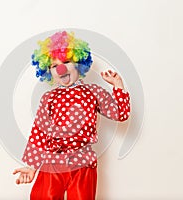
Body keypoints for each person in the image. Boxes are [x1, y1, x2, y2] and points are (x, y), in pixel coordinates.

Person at [13, 31, 131, 200]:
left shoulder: (93, 92)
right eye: (54, 66)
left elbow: (121, 114)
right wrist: (32, 166)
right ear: (49, 71)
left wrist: (118, 86)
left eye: (67, 62)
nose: (61, 68)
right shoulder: (49, 98)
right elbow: (39, 132)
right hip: (53, 162)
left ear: (78, 64)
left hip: (83, 163)